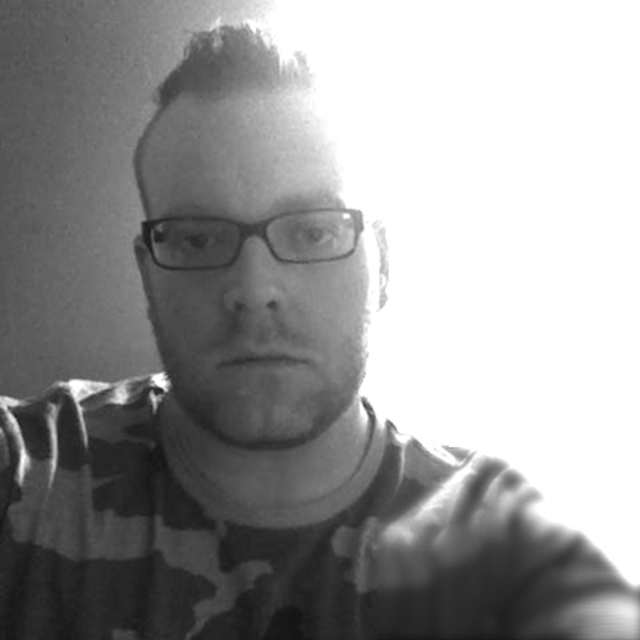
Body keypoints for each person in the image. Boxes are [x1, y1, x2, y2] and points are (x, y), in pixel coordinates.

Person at [0, 23, 637, 640]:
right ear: (148, 275)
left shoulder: (511, 549)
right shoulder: (31, 476)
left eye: (313, 231)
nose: (255, 290)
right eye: (196, 239)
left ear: (383, 266)